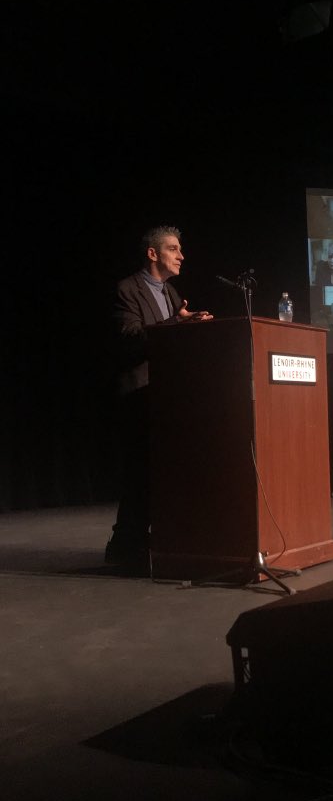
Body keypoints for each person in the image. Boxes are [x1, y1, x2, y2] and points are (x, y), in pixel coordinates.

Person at [105, 226, 213, 573]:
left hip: (168, 396)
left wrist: (191, 325)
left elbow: (172, 334)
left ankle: (156, 539)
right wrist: (175, 324)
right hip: (139, 394)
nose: (181, 255)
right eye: (173, 248)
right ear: (153, 254)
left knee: (162, 473)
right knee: (139, 473)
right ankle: (123, 545)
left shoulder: (170, 291)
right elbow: (129, 337)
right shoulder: (127, 289)